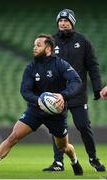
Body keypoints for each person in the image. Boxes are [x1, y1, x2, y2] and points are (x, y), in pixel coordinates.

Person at [0, 34, 83, 176]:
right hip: (36, 110)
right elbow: (25, 91)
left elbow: (76, 80)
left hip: (56, 112)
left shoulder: (60, 64)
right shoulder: (31, 67)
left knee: (63, 148)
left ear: (48, 48)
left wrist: (63, 95)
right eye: (34, 45)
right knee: (13, 137)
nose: (35, 48)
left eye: (38, 45)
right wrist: (38, 100)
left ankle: (74, 161)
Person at [43, 9, 106, 172]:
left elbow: (93, 66)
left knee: (83, 126)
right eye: (60, 21)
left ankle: (93, 159)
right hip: (58, 96)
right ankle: (58, 163)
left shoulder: (83, 41)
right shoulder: (52, 42)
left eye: (66, 21)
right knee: (57, 130)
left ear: (72, 23)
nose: (63, 23)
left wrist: (98, 88)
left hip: (78, 94)